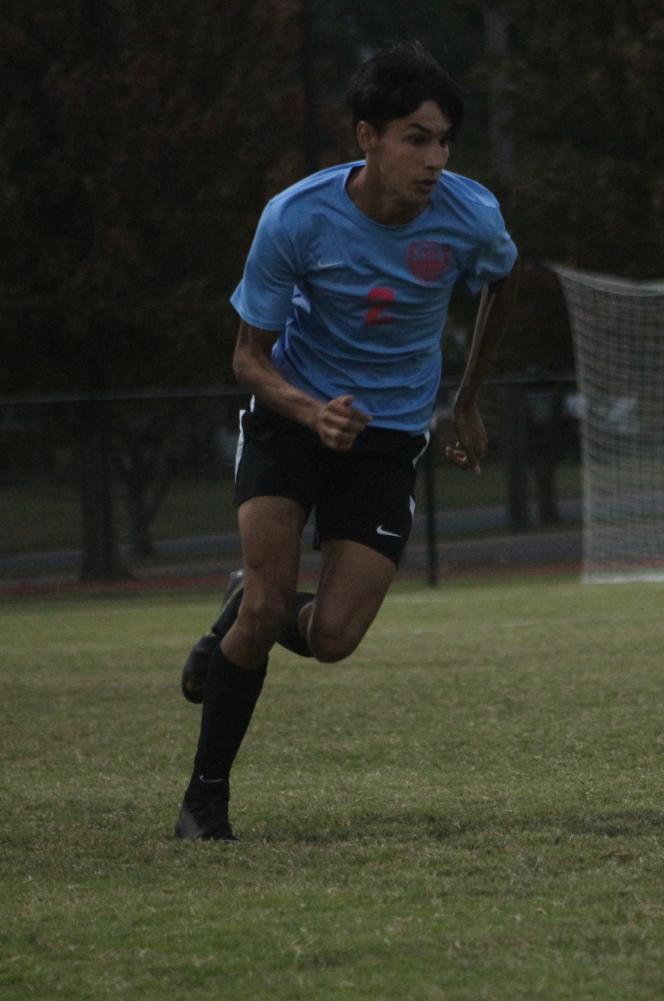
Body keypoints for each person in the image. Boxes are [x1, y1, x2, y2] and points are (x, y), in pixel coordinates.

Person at [174, 41, 519, 840]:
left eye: (443, 142)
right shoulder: (295, 216)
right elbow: (246, 358)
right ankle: (204, 801)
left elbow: (504, 278)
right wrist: (310, 408)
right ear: (367, 136)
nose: (434, 159)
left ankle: (238, 610)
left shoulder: (471, 216)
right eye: (414, 137)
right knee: (265, 610)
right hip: (291, 421)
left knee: (331, 639)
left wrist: (466, 400)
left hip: (389, 434)